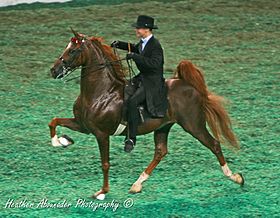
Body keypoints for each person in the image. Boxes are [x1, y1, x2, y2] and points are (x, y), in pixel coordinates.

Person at [111, 15, 168, 152]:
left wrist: (135, 57)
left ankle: (131, 138)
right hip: (142, 77)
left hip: (152, 82)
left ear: (147, 29)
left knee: (132, 102)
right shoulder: (143, 43)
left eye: (139, 28)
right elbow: (135, 48)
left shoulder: (155, 45)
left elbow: (155, 64)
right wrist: (120, 44)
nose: (136, 30)